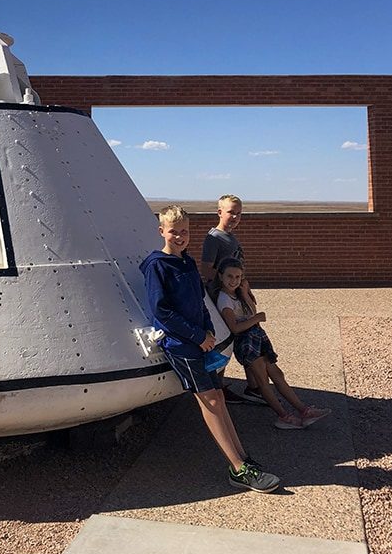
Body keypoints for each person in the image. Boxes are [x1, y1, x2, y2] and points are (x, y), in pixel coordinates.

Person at [140, 205, 280, 493]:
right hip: (180, 344)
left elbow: (199, 300)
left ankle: (243, 458)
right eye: (173, 231)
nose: (179, 237)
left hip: (201, 340)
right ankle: (239, 469)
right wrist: (196, 335)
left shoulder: (187, 263)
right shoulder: (157, 265)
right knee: (211, 401)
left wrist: (209, 331)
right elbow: (162, 311)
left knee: (218, 396)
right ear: (161, 231)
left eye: (184, 232)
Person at [214, 257, 331, 430]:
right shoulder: (224, 300)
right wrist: (256, 318)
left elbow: (251, 311)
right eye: (230, 276)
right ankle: (283, 416)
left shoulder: (237, 294)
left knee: (277, 373)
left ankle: (303, 410)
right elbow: (235, 328)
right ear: (220, 276)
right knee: (262, 379)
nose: (234, 281)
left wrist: (245, 294)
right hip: (245, 342)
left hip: (256, 337)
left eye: (238, 277)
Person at [200, 194, 263, 404]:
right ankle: (218, 386)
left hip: (236, 293)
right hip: (223, 299)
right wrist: (223, 294)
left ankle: (252, 386)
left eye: (238, 213)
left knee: (246, 337)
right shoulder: (214, 238)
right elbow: (208, 270)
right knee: (225, 340)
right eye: (231, 212)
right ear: (219, 212)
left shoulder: (230, 237)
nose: (235, 216)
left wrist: (244, 288)